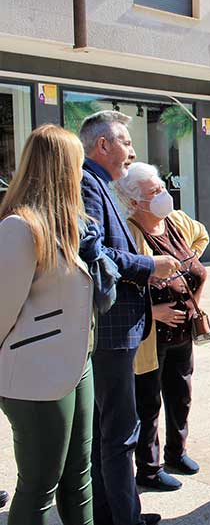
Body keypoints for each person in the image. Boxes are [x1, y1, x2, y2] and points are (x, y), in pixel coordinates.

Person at [80, 111, 180, 525]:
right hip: (111, 330)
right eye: (125, 141)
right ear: (102, 145)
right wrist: (147, 265)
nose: (133, 151)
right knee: (118, 432)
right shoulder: (88, 182)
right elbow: (91, 249)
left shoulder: (102, 184)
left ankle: (116, 513)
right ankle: (125, 518)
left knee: (112, 430)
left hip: (118, 328)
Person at [0, 124, 95, 525]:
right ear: (60, 168)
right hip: (34, 376)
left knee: (79, 478)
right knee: (40, 486)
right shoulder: (19, 228)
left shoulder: (65, 226)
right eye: (78, 163)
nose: (83, 173)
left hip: (75, 367)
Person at [113, 163, 209, 492]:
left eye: (162, 188)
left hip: (182, 333)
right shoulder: (127, 233)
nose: (163, 195)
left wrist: (191, 277)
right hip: (148, 339)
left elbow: (202, 236)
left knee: (181, 395)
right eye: (154, 192)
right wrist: (154, 311)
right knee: (148, 402)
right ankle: (149, 470)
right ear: (132, 201)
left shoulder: (176, 222)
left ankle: (176, 452)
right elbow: (118, 289)